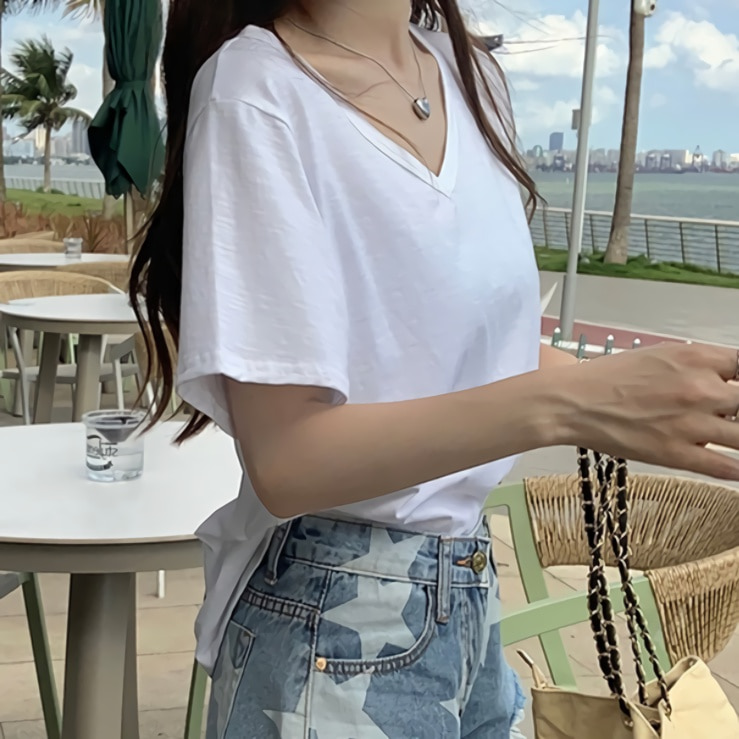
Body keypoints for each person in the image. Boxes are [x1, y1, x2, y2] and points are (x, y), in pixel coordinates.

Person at [130, 1, 739, 737]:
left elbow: (465, 355)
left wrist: (663, 388)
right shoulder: (257, 88)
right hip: (332, 614)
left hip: (471, 593)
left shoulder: (469, 73)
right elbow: (288, 459)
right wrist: (570, 401)